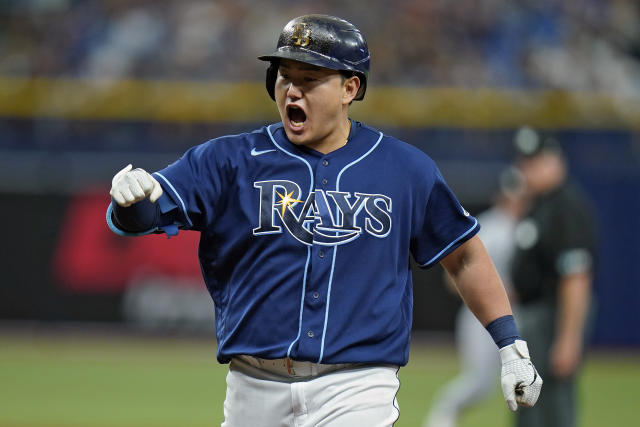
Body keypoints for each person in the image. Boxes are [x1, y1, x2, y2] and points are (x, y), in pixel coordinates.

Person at [106, 15, 542, 426]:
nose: (292, 92)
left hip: (356, 386)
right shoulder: (229, 161)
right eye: (284, 78)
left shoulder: (405, 170)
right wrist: (127, 200)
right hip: (253, 387)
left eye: (310, 80)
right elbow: (142, 216)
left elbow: (464, 256)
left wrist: (510, 345)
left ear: (350, 88)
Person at [423, 167, 527, 427]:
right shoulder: (492, 226)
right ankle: (442, 414)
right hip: (481, 318)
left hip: (521, 314)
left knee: (524, 380)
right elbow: (453, 276)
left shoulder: (529, 225)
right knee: (480, 382)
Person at [510, 126, 597, 427]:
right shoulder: (539, 205)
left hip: (554, 315)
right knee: (528, 401)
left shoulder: (566, 207)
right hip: (534, 316)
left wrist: (569, 338)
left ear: (556, 161)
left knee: (553, 405)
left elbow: (576, 278)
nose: (527, 169)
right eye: (525, 161)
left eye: (535, 161)